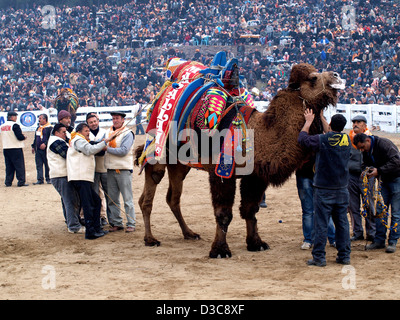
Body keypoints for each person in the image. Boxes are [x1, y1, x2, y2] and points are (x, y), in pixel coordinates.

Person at [298, 110, 351, 267]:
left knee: (321, 223)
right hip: (342, 188)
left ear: (330, 124)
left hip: (324, 188)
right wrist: (321, 118)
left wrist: (308, 122)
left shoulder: (322, 139)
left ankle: (319, 257)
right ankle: (344, 255)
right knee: (342, 223)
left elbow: (302, 139)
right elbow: (331, 133)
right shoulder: (346, 139)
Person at [353, 133, 400, 253]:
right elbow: (366, 163)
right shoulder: (367, 150)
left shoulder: (384, 144)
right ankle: (379, 241)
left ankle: (392, 241)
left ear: (368, 140)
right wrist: (365, 170)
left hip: (396, 180)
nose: (362, 150)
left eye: (363, 147)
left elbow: (396, 161)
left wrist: (379, 170)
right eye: (360, 149)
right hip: (383, 181)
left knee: (395, 212)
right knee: (380, 211)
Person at [67, 123, 114, 239]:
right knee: (88, 204)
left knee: (96, 201)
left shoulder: (79, 140)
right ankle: (90, 231)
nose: (88, 133)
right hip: (80, 176)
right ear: (79, 131)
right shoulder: (78, 140)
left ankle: (96, 228)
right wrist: (105, 142)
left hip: (83, 176)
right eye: (86, 131)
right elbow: (89, 150)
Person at [47, 123, 82, 234]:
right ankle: (73, 226)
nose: (65, 134)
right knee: (70, 200)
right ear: (57, 132)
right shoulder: (56, 141)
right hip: (61, 175)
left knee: (68, 199)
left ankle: (71, 222)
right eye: (63, 132)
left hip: (60, 174)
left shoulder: (56, 140)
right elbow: (68, 154)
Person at [104, 111, 136, 232]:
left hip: (123, 169)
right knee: (113, 198)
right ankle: (117, 222)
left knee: (127, 198)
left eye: (117, 118)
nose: (115, 120)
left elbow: (123, 151)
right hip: (111, 168)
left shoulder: (127, 133)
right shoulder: (108, 132)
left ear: (123, 120)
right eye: (113, 118)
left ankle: (131, 223)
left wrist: (107, 148)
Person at [347, 115, 375, 242]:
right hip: (351, 175)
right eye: (354, 122)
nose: (355, 124)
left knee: (368, 204)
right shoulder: (348, 139)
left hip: (366, 176)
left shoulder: (371, 139)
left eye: (358, 122)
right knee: (353, 206)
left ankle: (371, 232)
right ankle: (357, 232)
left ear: (365, 125)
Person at [86, 112, 110, 226]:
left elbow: (105, 149)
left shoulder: (105, 132)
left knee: (108, 194)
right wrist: (99, 146)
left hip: (104, 167)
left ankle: (104, 216)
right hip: (92, 169)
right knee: (95, 194)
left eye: (95, 121)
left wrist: (96, 147)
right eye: (91, 122)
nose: (93, 124)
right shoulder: (86, 134)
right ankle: (98, 216)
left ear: (98, 121)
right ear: (87, 124)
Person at [1, 111, 28, 187]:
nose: (16, 118)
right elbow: (19, 137)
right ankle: (21, 181)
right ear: (12, 117)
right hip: (15, 147)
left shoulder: (2, 126)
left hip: (6, 147)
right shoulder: (15, 125)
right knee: (19, 166)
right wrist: (24, 137)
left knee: (9, 166)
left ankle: (8, 182)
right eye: (15, 116)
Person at [32, 113, 53, 185]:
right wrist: (33, 146)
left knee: (47, 164)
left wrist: (45, 144)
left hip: (46, 149)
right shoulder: (38, 128)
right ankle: (40, 179)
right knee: (39, 164)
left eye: (40, 118)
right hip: (38, 150)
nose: (39, 120)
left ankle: (48, 178)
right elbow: (36, 138)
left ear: (45, 119)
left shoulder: (50, 128)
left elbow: (51, 138)